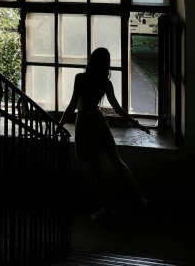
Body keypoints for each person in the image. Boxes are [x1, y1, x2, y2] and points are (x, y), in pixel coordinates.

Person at [59, 47, 150, 221]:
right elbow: (117, 108)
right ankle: (138, 199)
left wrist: (59, 125)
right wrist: (137, 124)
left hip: (85, 123)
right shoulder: (105, 83)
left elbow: (71, 106)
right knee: (117, 162)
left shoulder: (81, 78)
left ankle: (107, 210)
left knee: (98, 170)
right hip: (99, 121)